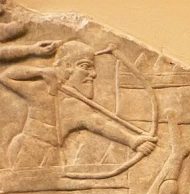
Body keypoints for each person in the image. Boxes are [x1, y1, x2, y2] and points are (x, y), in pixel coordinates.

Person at [0, 41, 157, 168]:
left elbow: (101, 124)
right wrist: (40, 71)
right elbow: (5, 77)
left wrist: (132, 140)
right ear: (68, 66)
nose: (93, 74)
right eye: (85, 66)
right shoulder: (40, 90)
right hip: (26, 149)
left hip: (54, 155)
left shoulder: (77, 106)